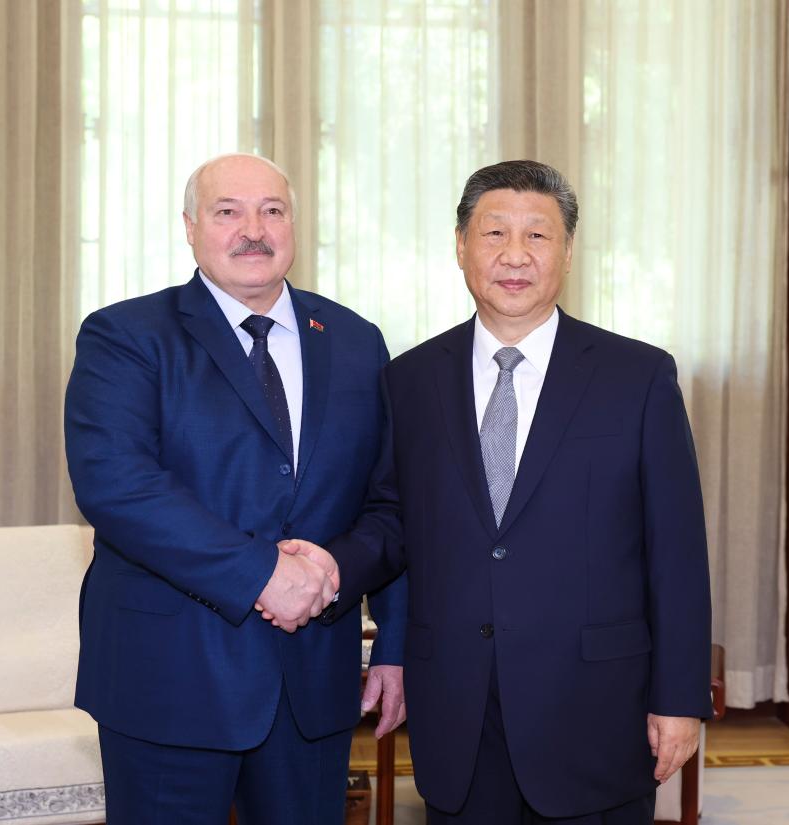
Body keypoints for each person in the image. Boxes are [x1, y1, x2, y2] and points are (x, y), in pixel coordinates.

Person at [300, 159, 712, 824]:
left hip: (593, 706)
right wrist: (329, 569)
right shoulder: (408, 381)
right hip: (458, 707)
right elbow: (395, 521)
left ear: (568, 251)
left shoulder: (635, 377)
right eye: (493, 234)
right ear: (461, 245)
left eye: (538, 236)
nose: (514, 255)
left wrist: (678, 697)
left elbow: (677, 554)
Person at [64, 153, 406, 825]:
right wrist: (263, 574)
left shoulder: (356, 341)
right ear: (190, 228)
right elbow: (117, 485)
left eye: (272, 210)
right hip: (167, 679)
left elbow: (392, 505)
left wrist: (385, 635)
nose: (253, 229)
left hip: (312, 681)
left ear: (294, 227)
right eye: (228, 211)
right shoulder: (125, 335)